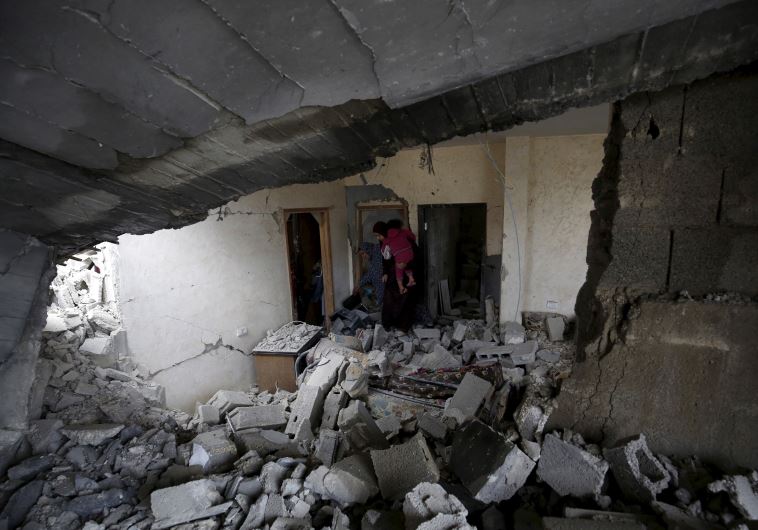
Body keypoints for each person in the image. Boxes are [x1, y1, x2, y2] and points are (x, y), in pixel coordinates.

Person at [382, 225, 417, 294]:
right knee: (406, 265)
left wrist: (387, 255)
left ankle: (401, 288)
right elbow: (412, 235)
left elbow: (385, 252)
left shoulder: (387, 239)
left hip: (400, 256)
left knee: (398, 269)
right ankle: (411, 278)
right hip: (410, 253)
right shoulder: (402, 231)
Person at [354, 241, 384, 307]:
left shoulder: (378, 252)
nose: (363, 257)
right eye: (361, 255)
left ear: (367, 249)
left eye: (363, 253)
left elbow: (374, 273)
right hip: (381, 284)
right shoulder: (372, 257)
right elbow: (370, 273)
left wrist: (359, 284)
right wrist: (359, 284)